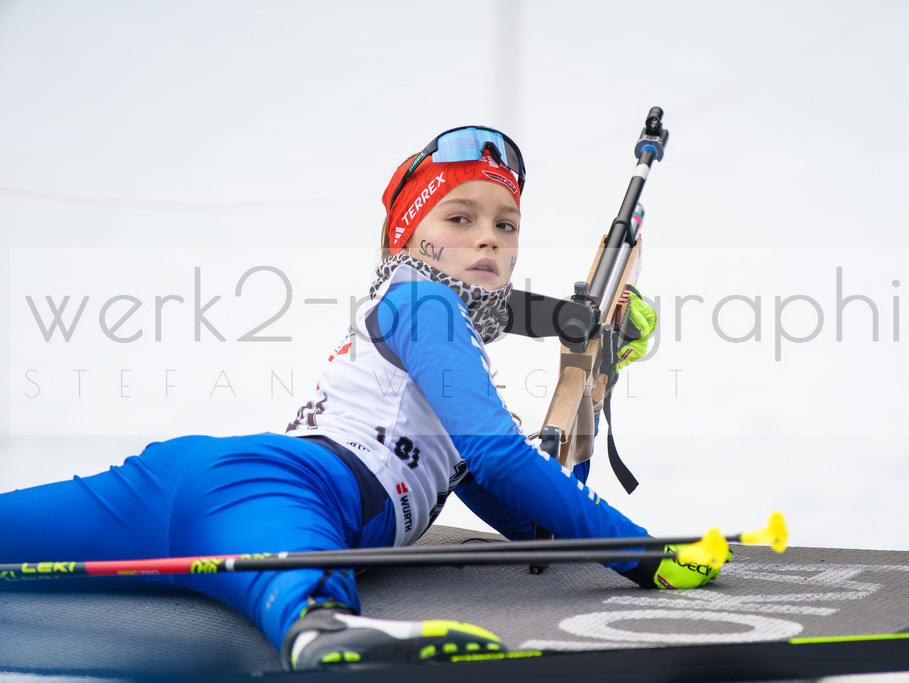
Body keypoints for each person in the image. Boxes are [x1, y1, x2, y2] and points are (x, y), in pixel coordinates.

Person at [0, 126, 720, 672]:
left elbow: (540, 527)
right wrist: (644, 554)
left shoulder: (445, 360)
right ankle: (322, 626)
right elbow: (503, 460)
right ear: (411, 237)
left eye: (506, 224)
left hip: (187, 480)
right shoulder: (425, 302)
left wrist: (592, 380)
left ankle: (315, 617)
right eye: (459, 218)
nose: (488, 238)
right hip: (279, 487)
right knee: (307, 605)